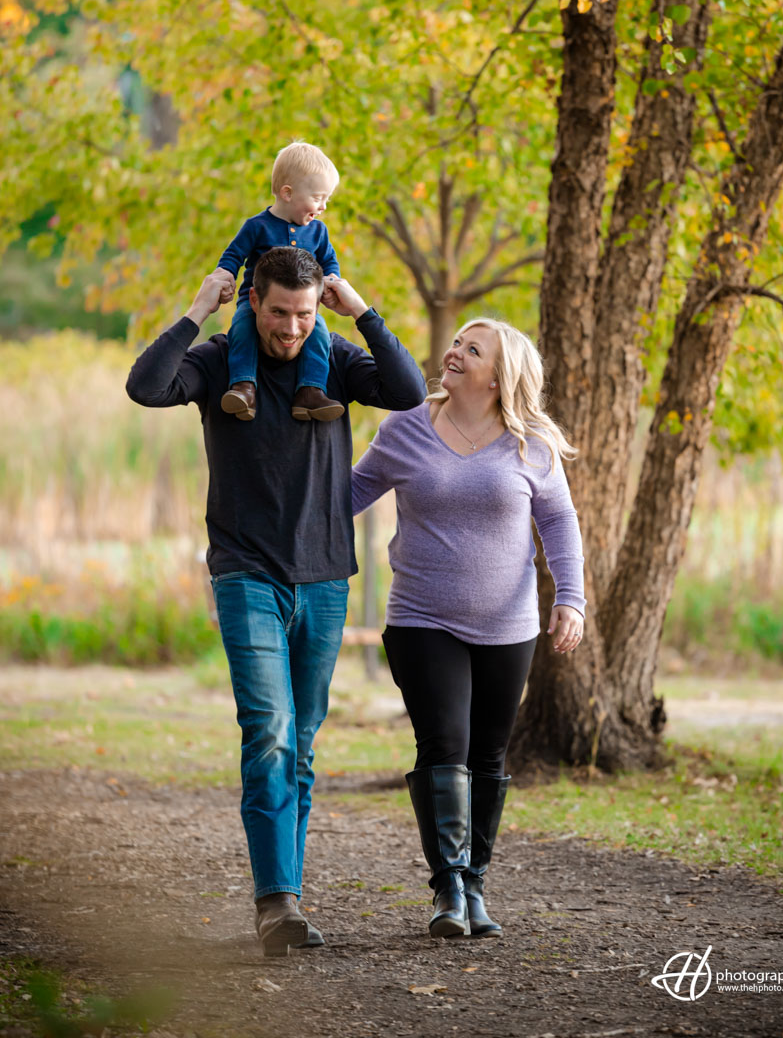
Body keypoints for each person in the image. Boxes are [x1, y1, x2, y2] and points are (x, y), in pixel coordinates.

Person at [126, 247, 426, 956]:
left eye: (303, 312)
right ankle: (276, 903)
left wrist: (361, 312)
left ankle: (286, 892)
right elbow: (146, 386)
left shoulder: (336, 355)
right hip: (245, 573)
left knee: (301, 745)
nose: (291, 329)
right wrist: (199, 306)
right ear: (254, 302)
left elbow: (408, 390)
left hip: (324, 579)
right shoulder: (217, 360)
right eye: (279, 312)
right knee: (269, 730)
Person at [351, 318, 585, 940]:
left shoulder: (531, 443)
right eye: (456, 342)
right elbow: (345, 494)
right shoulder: (406, 425)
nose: (453, 353)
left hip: (509, 625)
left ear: (498, 375)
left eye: (471, 349)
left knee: (488, 754)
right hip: (423, 618)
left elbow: (558, 522)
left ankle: (476, 883)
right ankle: (449, 887)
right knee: (444, 746)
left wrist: (572, 598)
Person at [216, 141, 345, 423]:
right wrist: (225, 274)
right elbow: (233, 255)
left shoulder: (318, 232)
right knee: (242, 328)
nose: (323, 207)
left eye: (327, 200)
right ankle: (243, 386)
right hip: (258, 304)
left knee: (320, 332)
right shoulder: (257, 226)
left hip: (302, 309)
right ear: (287, 193)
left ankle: (310, 391)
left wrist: (331, 280)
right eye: (318, 198)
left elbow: (329, 262)